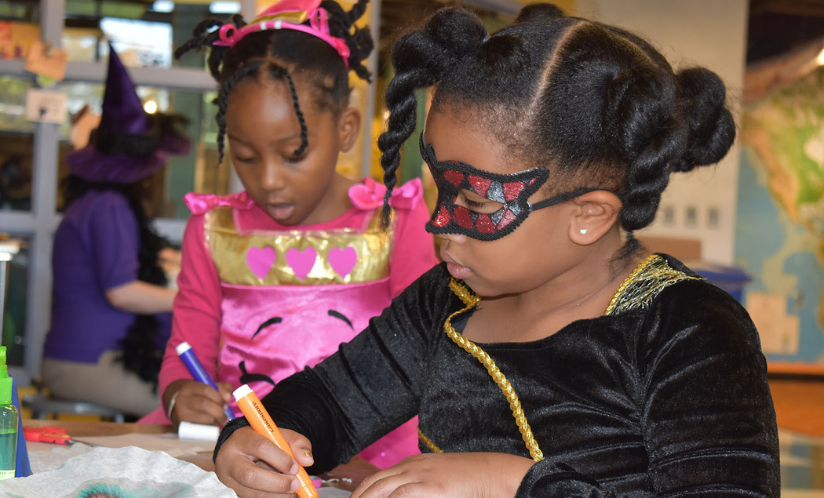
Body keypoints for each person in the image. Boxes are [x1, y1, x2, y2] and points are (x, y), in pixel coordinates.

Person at [211, 4, 781, 497]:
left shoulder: (689, 331)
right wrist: (249, 438)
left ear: (589, 216)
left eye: (478, 205)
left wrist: (508, 482)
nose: (441, 224)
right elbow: (329, 403)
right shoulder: (447, 302)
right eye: (438, 185)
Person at [142, 0, 437, 470]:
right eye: (245, 156)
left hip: (368, 451)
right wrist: (181, 394)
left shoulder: (392, 221)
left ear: (346, 129)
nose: (270, 179)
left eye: (293, 153)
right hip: (241, 451)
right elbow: (185, 351)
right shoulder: (213, 230)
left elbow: (427, 353)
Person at [42, 46, 190, 417]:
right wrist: (190, 301)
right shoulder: (110, 206)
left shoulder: (95, 203)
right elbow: (122, 292)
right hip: (89, 363)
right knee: (189, 410)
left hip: (81, 358)